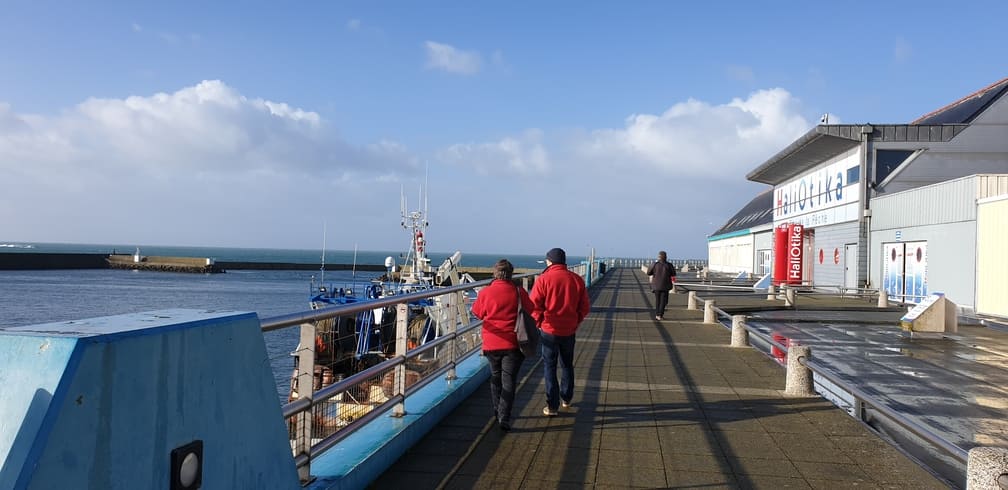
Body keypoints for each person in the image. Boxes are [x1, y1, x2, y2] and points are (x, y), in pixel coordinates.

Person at [471, 259, 533, 431]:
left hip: (491, 343)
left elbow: (477, 312)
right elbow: (531, 309)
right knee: (509, 381)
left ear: (495, 273)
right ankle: (504, 417)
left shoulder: (486, 292)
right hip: (514, 343)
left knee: (495, 378)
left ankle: (497, 410)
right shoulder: (519, 291)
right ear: (511, 274)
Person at [530, 247, 590, 416]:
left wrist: (539, 323)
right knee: (567, 364)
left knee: (549, 366)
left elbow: (534, 305)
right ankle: (567, 398)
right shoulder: (576, 280)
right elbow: (584, 306)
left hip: (549, 329)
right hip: (569, 330)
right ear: (564, 261)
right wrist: (576, 320)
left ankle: (552, 406)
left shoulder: (543, 279)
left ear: (549, 261)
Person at [647, 250, 676, 321]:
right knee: (663, 301)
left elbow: (648, 273)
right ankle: (660, 314)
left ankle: (657, 315)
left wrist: (654, 273)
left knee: (658, 300)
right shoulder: (669, 265)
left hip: (656, 285)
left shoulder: (655, 264)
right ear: (666, 257)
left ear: (659, 257)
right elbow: (673, 274)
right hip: (665, 285)